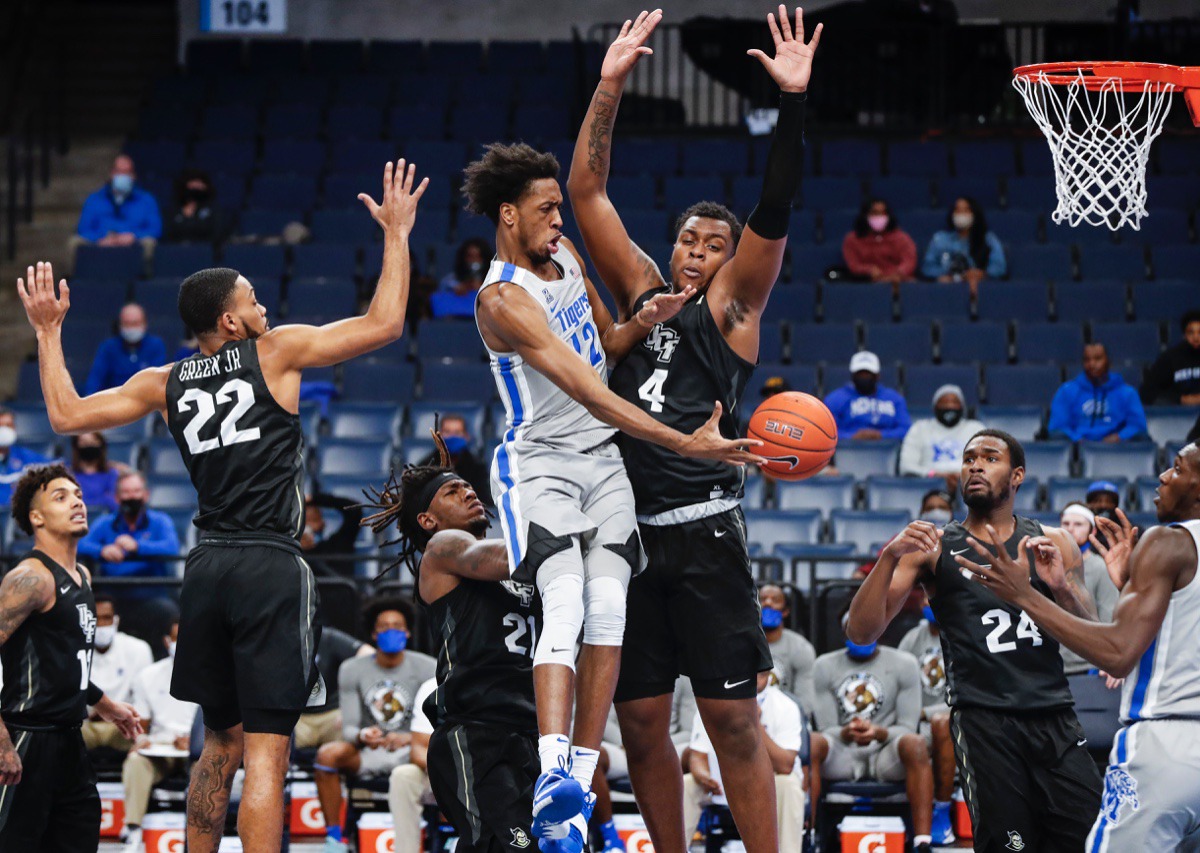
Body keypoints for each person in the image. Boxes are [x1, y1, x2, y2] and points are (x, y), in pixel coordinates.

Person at [17, 158, 427, 853]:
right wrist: (395, 233)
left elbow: (63, 415)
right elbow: (386, 323)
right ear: (232, 319)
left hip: (205, 567)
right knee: (268, 754)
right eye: (254, 297)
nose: (264, 304)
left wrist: (50, 332)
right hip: (269, 563)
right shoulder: (276, 350)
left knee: (219, 743)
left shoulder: (164, 380)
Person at [565, 9, 819, 851]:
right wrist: (609, 85)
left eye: (714, 241)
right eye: (687, 238)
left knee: (731, 721)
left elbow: (776, 200)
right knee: (638, 722)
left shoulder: (738, 306)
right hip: (625, 537)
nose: (697, 250)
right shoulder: (642, 288)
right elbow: (587, 193)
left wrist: (793, 101)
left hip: (705, 533)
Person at [466, 135, 756, 846]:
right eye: (546, 209)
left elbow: (609, 343)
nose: (561, 221)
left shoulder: (562, 259)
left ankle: (574, 789)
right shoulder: (504, 300)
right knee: (564, 597)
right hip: (544, 461)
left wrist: (640, 324)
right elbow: (593, 392)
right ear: (509, 216)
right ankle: (550, 769)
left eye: (560, 207)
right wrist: (686, 441)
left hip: (604, 464)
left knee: (609, 608)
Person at [847, 429, 1103, 852]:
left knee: (1090, 840)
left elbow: (1091, 634)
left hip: (1054, 714)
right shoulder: (931, 548)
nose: (976, 465)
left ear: (1017, 475)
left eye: (990, 457)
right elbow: (860, 632)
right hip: (985, 720)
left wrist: (1062, 587)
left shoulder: (1053, 541)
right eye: (968, 459)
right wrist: (889, 556)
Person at [958, 443, 1200, 851]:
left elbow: (1118, 656)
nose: (1162, 477)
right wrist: (1130, 585)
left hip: (1167, 745)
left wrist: (1024, 595)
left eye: (1176, 469)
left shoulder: (1167, 541)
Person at [360, 433, 542, 853]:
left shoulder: (524, 571)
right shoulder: (443, 549)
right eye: (452, 490)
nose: (468, 491)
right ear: (428, 520)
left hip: (532, 732)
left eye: (468, 486)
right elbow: (509, 557)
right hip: (477, 732)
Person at [0, 464, 141, 851]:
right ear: (36, 517)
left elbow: (66, 661)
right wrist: (1, 744)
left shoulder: (82, 574)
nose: (76, 502)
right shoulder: (30, 578)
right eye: (60, 497)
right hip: (27, 737)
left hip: (70, 740)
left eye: (77, 495)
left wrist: (108, 706)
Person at [312, 599, 435, 853]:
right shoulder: (351, 669)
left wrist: (409, 739)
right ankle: (335, 839)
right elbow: (348, 728)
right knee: (327, 755)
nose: (392, 631)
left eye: (398, 626)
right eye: (385, 627)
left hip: (411, 753)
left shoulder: (427, 667)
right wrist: (363, 734)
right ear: (373, 633)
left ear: (408, 631)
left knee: (441, 758)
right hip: (369, 751)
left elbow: (437, 725)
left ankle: (446, 834)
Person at [809, 619, 934, 852]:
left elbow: (908, 725)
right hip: (843, 751)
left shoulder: (904, 663)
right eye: (854, 628)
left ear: (880, 630)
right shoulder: (824, 665)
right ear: (843, 631)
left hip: (886, 752)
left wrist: (879, 732)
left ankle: (923, 841)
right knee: (813, 743)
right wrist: (846, 732)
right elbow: (826, 728)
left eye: (868, 628)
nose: (861, 634)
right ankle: (810, 834)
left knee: (916, 744)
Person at [684, 671, 805, 851]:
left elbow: (785, 765)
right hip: (720, 783)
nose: (755, 678)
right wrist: (704, 776)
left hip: (770, 782)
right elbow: (697, 756)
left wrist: (752, 723)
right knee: (687, 784)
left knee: (790, 786)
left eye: (761, 674)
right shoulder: (714, 700)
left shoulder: (785, 706)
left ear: (769, 675)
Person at [119, 620, 198, 853]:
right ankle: (133, 831)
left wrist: (194, 741)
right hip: (160, 748)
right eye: (176, 639)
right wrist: (141, 742)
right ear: (166, 642)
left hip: (198, 750)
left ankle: (200, 835)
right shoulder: (148, 676)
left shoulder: (213, 676)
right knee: (135, 761)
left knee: (208, 769)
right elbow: (141, 724)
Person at [78, 472, 181, 647]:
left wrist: (138, 547)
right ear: (117, 498)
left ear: (146, 495)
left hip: (151, 596)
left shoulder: (160, 521)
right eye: (126, 492)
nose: (131, 496)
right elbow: (80, 544)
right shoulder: (105, 523)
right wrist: (102, 550)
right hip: (112, 597)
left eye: (136, 491)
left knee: (169, 613)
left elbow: (172, 547)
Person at [897, 595, 956, 846]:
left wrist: (926, 714)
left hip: (957, 717)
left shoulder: (965, 633)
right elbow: (896, 682)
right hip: (915, 719)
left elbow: (969, 689)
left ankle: (941, 810)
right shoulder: (912, 638)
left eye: (931, 598)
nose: (927, 603)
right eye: (922, 600)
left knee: (942, 723)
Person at [83, 594, 153, 753]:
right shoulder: (75, 650)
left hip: (125, 725)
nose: (100, 624)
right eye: (95, 618)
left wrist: (120, 715)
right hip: (85, 726)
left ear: (116, 620)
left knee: (141, 737)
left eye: (106, 618)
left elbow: (144, 699)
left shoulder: (138, 649)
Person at [1056, 502, 1119, 675]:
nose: (1070, 529)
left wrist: (1108, 661)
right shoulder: (1045, 565)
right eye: (1066, 524)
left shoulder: (1101, 568)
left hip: (1087, 667)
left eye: (1078, 524)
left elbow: (1109, 619)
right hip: (1052, 664)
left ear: (1093, 531)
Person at [1048, 342, 1149, 443]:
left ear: (1108, 361)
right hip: (1077, 449)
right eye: (1087, 360)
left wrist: (1120, 437)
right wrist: (1078, 440)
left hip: (1117, 450)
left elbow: (1138, 426)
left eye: (1097, 359)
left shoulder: (1127, 393)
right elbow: (1058, 427)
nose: (1092, 364)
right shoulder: (1066, 391)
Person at [72, 154, 162, 265]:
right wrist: (100, 238)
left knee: (149, 242)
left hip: (133, 244)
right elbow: (83, 229)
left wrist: (133, 236)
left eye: (126, 172)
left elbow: (155, 229)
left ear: (133, 176)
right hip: (101, 242)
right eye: (118, 171)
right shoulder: (94, 199)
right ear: (111, 174)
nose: (122, 176)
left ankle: (146, 279)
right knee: (74, 242)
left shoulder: (147, 200)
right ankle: (71, 279)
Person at [294, 627, 371, 751]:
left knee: (350, 730)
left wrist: (356, 704)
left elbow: (370, 656)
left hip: (332, 714)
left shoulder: (327, 637)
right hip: (296, 717)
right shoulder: (277, 639)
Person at [899, 384, 985, 492]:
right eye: (944, 403)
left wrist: (963, 475)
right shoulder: (919, 428)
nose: (949, 407)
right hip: (929, 486)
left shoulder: (976, 428)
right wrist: (935, 476)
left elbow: (987, 464)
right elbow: (906, 467)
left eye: (954, 403)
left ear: (962, 407)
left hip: (968, 485)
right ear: (935, 407)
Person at [920, 196, 1006, 294]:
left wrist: (982, 274)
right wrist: (949, 276)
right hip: (945, 292)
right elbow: (927, 267)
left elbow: (999, 267)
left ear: (974, 214)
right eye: (957, 210)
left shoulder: (988, 239)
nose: (961, 214)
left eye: (966, 210)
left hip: (978, 290)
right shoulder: (939, 239)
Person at [824, 351, 911, 442]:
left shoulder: (894, 399)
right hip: (848, 451)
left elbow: (906, 429)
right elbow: (827, 432)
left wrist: (881, 435)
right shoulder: (835, 399)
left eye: (868, 374)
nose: (864, 377)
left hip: (886, 451)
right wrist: (852, 436)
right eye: (860, 374)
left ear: (877, 376)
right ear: (852, 375)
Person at [83, 304, 168, 395]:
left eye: (135, 323)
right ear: (120, 325)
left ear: (145, 324)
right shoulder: (108, 347)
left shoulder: (155, 345)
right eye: (127, 323)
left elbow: (158, 382)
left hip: (146, 403)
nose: (131, 328)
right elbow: (94, 381)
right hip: (114, 402)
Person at [758, 584, 815, 716]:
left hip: (785, 719)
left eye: (775, 600)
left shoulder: (800, 648)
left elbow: (804, 703)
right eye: (762, 599)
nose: (768, 603)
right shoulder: (739, 644)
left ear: (785, 611)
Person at [417, 414, 493, 506]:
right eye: (447, 432)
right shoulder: (426, 466)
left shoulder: (477, 467)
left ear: (466, 436)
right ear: (438, 436)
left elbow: (484, 502)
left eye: (457, 433)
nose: (452, 437)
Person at [840, 198, 917, 286]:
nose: (880, 217)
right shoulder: (852, 239)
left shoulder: (902, 238)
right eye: (875, 213)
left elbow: (909, 261)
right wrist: (869, 270)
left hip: (898, 281)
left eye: (883, 213)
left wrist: (897, 273)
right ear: (865, 215)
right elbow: (853, 265)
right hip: (867, 283)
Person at [1141, 308, 1200, 406]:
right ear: (1184, 335)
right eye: (1191, 332)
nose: (1196, 337)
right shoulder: (1170, 358)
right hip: (1178, 416)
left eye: (1199, 332)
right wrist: (1181, 399)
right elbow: (1147, 392)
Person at [301, 491, 366, 578]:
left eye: (313, 520)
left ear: (322, 523)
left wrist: (314, 498)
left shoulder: (340, 543)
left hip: (341, 590)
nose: (308, 528)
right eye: (304, 523)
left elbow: (355, 510)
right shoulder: (293, 555)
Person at [431, 237, 493, 319]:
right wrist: (459, 288)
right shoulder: (450, 280)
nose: (474, 261)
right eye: (470, 256)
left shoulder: (494, 280)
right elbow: (442, 291)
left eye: (478, 257)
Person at [0, 407, 50, 507]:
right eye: (1, 426)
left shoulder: (24, 456)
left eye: (9, 425)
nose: (4, 430)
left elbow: (54, 467)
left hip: (16, 515)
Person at [163, 168, 225, 244]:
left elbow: (216, 233)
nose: (196, 185)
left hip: (204, 251)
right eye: (192, 181)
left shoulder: (213, 208)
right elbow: (168, 233)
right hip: (176, 252)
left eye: (200, 182)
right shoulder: (174, 208)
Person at [70, 432, 125, 512]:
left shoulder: (111, 474)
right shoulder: (69, 475)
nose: (89, 446)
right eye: (84, 443)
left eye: (93, 443)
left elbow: (114, 503)